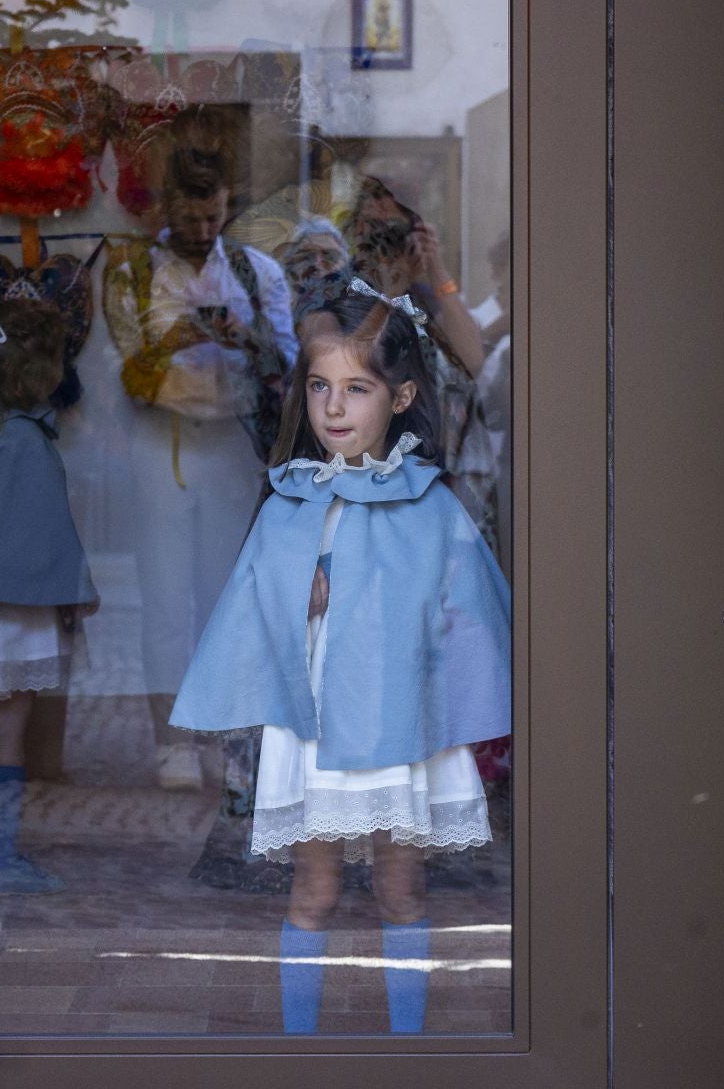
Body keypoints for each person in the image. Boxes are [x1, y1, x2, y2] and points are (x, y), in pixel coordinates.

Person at [169, 284, 512, 1033]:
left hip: (401, 726)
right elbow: (249, 612)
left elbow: (468, 616)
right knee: (313, 892)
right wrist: (301, 599)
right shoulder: (289, 502)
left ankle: (408, 1046)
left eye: (357, 389)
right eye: (321, 387)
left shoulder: (433, 506)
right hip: (316, 728)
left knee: (401, 890)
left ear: (402, 396)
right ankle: (301, 1047)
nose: (334, 408)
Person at [101, 146, 296, 790]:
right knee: (163, 598)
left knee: (224, 597)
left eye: (213, 218)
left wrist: (246, 338)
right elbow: (119, 371)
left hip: (232, 444)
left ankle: (225, 736)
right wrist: (171, 342)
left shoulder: (254, 269)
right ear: (166, 210)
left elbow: (289, 367)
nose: (204, 232)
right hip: (162, 439)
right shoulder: (134, 272)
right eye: (190, 219)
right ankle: (171, 741)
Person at [0, 297, 101, 895]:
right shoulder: (24, 443)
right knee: (6, 729)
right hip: (11, 611)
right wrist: (74, 597)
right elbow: (45, 536)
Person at [344, 178, 503, 551]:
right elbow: (349, 367)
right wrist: (390, 293)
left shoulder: (430, 293)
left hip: (440, 474)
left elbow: (472, 361)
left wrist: (438, 271)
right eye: (372, 228)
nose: (384, 241)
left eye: (394, 229)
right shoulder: (343, 288)